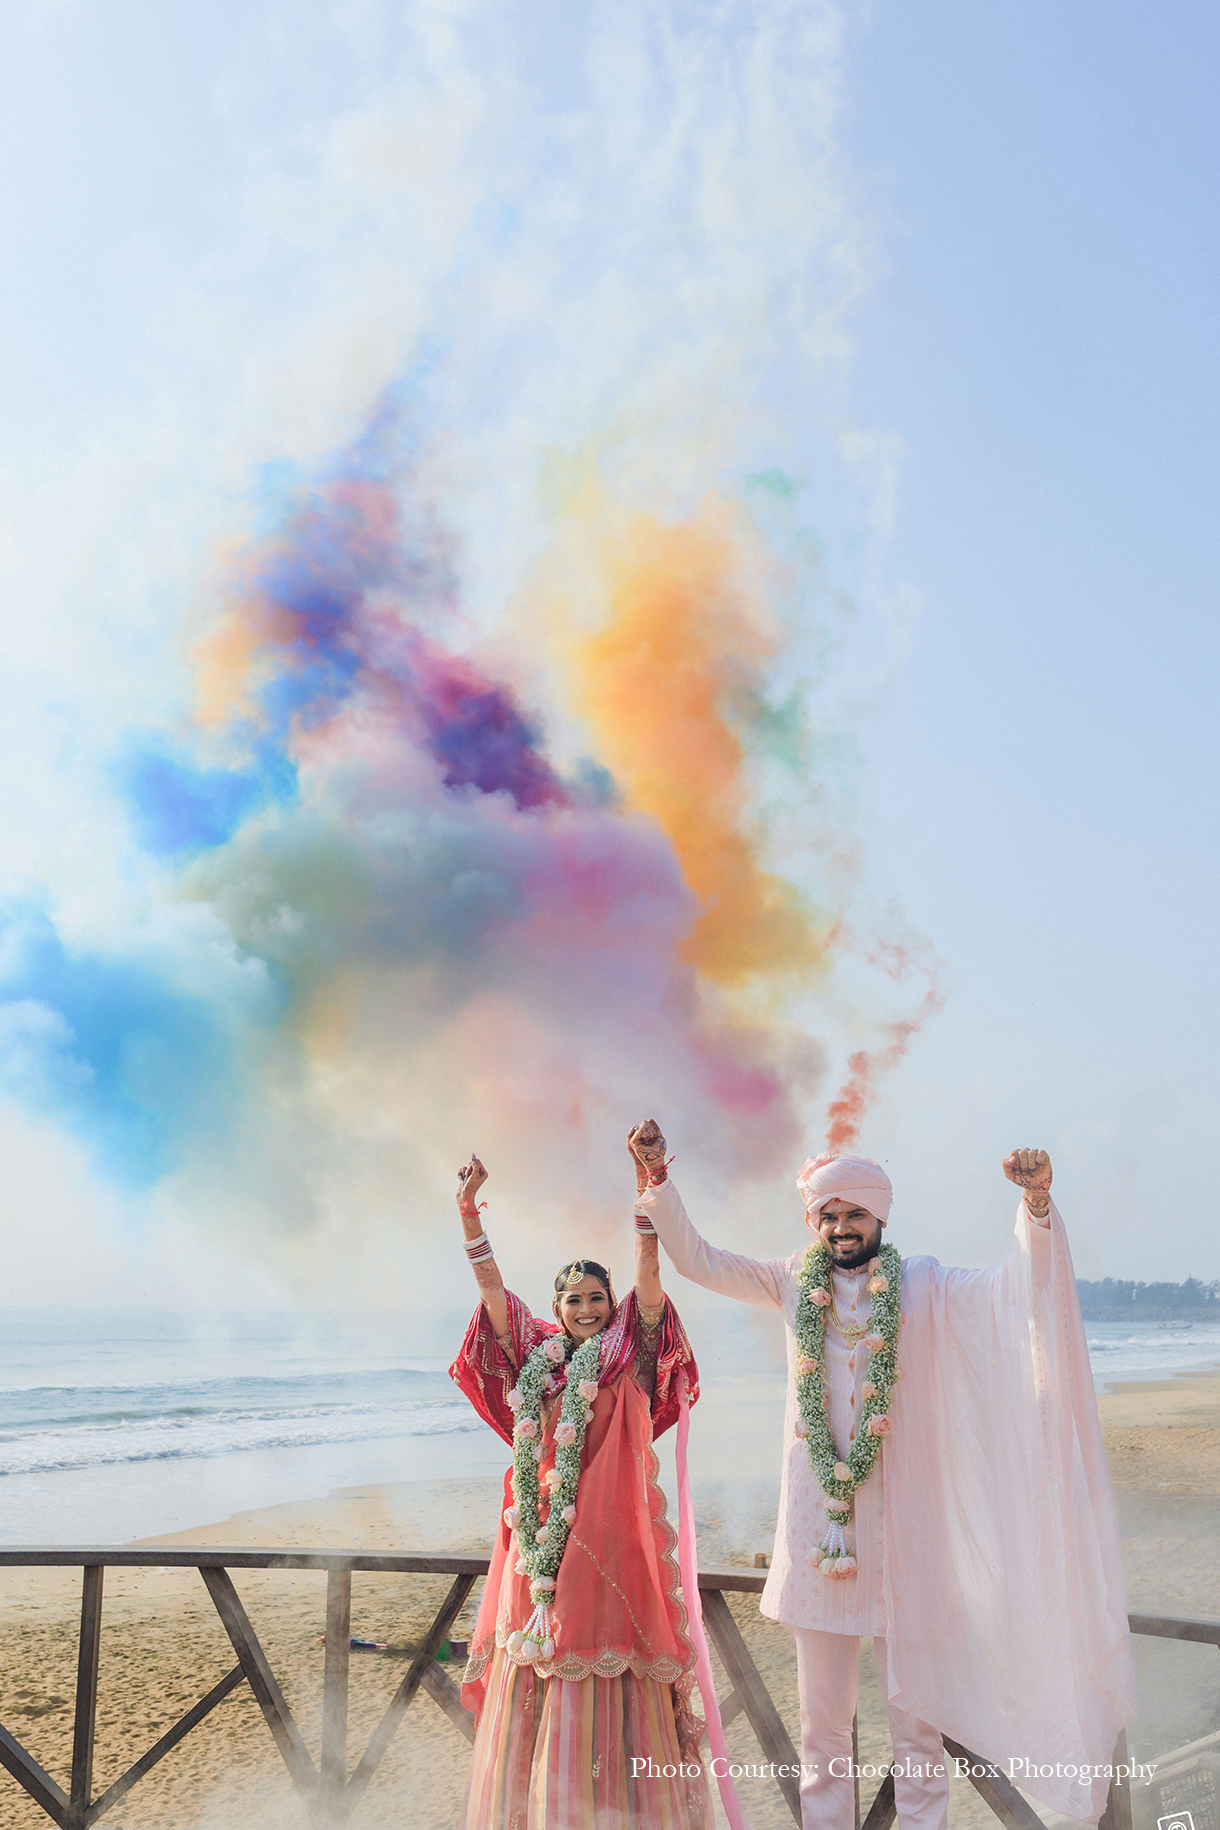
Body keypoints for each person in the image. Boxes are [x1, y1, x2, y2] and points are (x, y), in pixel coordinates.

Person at [627, 1120, 1136, 1830]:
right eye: (827, 1216)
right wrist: (657, 1180)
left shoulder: (923, 1284)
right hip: (818, 1541)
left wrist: (1038, 1208)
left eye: (854, 1214)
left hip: (907, 1542)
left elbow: (1011, 1290)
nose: (840, 1227)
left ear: (880, 1219)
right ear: (815, 1223)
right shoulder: (788, 1282)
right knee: (823, 1730)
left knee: (918, 1725)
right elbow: (699, 1259)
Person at [448, 1150, 710, 1830]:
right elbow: (489, 1290)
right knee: (537, 1663)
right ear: (557, 1307)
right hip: (536, 1544)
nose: (588, 1308)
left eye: (598, 1297)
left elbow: (649, 1284)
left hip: (609, 1544)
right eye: (574, 1299)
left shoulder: (626, 1355)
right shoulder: (532, 1360)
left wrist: (646, 1190)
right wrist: (469, 1210)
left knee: (605, 1662)